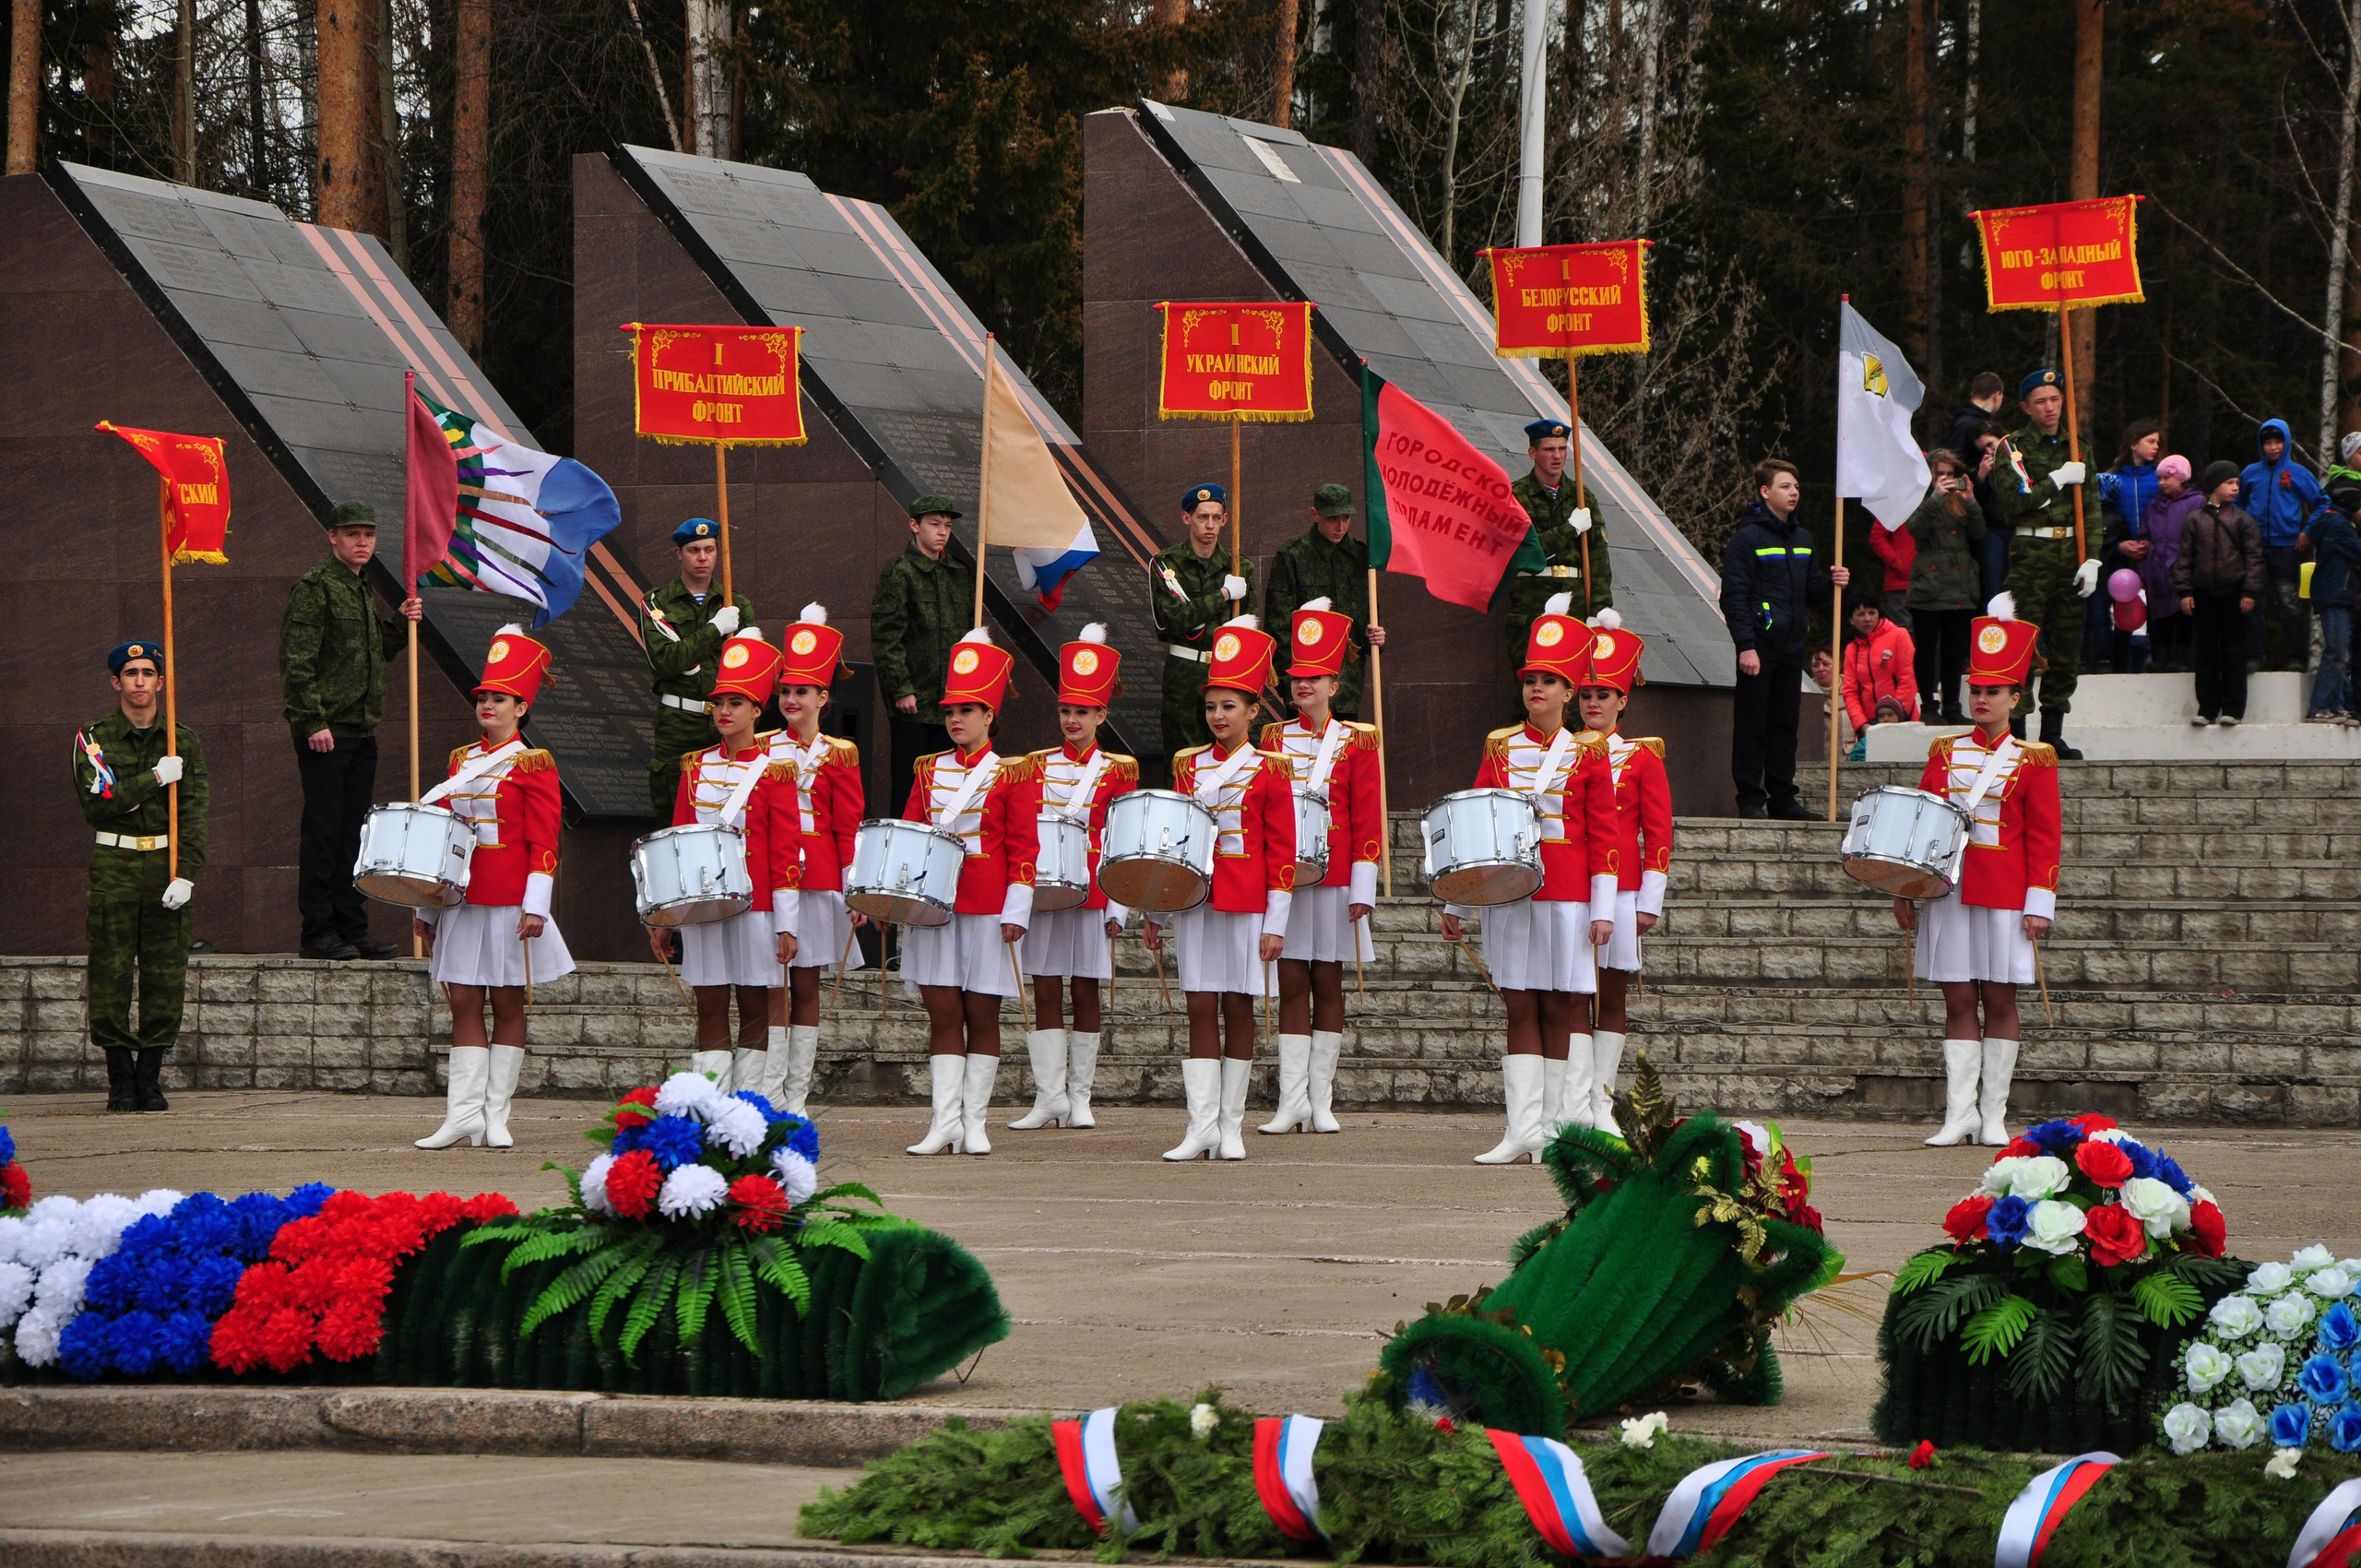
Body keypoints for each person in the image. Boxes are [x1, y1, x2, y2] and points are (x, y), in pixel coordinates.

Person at [1439, 591, 1618, 1162]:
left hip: (1567, 896)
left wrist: (1604, 908)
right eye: (1529, 680)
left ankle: (1564, 1129)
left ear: (1569, 692)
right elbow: (1472, 827)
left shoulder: (1588, 754)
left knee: (1565, 1004)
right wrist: (1459, 905)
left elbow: (1605, 838)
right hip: (1507, 896)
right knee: (1517, 1003)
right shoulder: (1499, 746)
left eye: (1548, 681)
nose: (1535, 689)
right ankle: (1522, 1130)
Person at [1895, 594, 2058, 1147]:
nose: (1981, 698)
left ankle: (1994, 1116)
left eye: (1993, 691)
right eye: (1975, 689)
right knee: (1958, 1000)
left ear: (2016, 696)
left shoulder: (2034, 759)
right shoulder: (1942, 750)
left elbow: (2044, 836)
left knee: (2002, 999)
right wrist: (1903, 889)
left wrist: (2040, 902)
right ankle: (1959, 1113)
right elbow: (1918, 825)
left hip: (2008, 893)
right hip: (1948, 891)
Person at [412, 628, 573, 1150]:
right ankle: (462, 1116)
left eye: (498, 698)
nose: (487, 704)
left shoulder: (534, 763)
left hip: (510, 902)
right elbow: (441, 837)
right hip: (460, 899)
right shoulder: (460, 761)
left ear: (521, 707)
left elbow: (544, 839)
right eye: (482, 697)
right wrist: (427, 907)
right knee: (461, 1002)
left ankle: (496, 1114)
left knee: (507, 1003)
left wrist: (536, 905)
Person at [1143, 617, 1295, 1162]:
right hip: (1194, 901)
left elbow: (1283, 852)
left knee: (1239, 1008)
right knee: (1199, 1007)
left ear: (1254, 711)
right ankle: (1200, 1126)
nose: (1218, 716)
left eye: (1230, 706)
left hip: (1247, 903)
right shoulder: (1187, 765)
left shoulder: (1272, 769)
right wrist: (1156, 913)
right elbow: (1171, 841)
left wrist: (1276, 922)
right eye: (1211, 706)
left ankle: (1231, 1127)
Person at [901, 629, 1039, 1157]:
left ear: (989, 717)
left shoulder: (1013, 774)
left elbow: (1025, 848)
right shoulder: (928, 770)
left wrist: (1017, 909)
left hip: (988, 908)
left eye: (968, 709)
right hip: (934, 907)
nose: (956, 719)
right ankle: (944, 1122)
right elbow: (911, 837)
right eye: (950, 710)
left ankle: (975, 1121)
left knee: (981, 1015)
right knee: (942, 1014)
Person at [279, 500, 424, 959]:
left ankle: (351, 926)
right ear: (333, 537)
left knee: (355, 836)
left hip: (361, 731)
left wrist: (403, 622)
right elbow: (296, 661)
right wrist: (313, 721)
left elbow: (374, 652)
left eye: (369, 535)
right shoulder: (316, 587)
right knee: (324, 832)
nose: (363, 543)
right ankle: (318, 932)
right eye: (353, 534)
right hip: (327, 732)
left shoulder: (360, 589)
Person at [1258, 598, 1382, 1137]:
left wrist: (1363, 886)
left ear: (1335, 683)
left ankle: (1322, 1100)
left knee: (1328, 983)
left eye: (1315, 677)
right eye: (1296, 677)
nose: (1302, 685)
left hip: (1333, 880)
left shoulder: (1358, 740)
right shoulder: (1271, 739)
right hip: (1285, 880)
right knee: (1290, 983)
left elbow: (1367, 818)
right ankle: (1291, 1102)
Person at [658, 630, 801, 1090]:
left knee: (757, 1004)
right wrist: (665, 916)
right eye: (719, 702)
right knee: (710, 1002)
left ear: (758, 711)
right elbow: (676, 842)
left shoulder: (777, 772)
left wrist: (787, 922)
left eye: (736, 703)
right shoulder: (694, 767)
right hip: (702, 904)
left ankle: (750, 1103)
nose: (724, 711)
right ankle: (712, 1104)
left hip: (757, 906)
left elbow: (785, 850)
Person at [1014, 624, 1136, 1132]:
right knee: (1044, 986)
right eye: (1066, 711)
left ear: (1101, 715)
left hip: (1092, 891)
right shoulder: (1034, 766)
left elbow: (1124, 837)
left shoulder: (1118, 769)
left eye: (1082, 712)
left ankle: (1081, 1096)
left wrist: (1119, 906)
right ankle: (1049, 1097)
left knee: (1086, 989)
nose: (1071, 720)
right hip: (1045, 890)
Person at [76, 640, 206, 1113]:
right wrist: (154, 778)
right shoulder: (95, 738)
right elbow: (97, 805)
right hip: (115, 864)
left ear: (160, 682)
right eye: (130, 673)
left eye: (148, 673)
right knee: (110, 972)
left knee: (164, 973)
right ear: (116, 682)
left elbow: (193, 814)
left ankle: (149, 1076)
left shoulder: (182, 740)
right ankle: (119, 1077)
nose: (139, 681)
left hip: (165, 867)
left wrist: (187, 874)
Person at [762, 604, 865, 1115]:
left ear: (823, 697)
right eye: (785, 691)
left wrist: (855, 890)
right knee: (769, 983)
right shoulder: (759, 749)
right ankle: (770, 1090)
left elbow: (848, 826)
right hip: (769, 876)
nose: (790, 699)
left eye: (801, 691)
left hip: (820, 876)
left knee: (805, 983)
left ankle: (796, 1098)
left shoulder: (840, 753)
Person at [1571, 611, 1669, 1135]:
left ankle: (1602, 1102)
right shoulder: (1557, 753)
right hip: (1566, 889)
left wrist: (1649, 899)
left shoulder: (1641, 758)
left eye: (1603, 694)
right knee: (1569, 994)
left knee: (1609, 994)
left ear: (1623, 700)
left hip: (1622, 890)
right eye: (1585, 693)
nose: (1592, 703)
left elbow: (1658, 832)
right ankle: (1572, 1100)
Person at [1718, 458, 1850, 819]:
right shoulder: (1746, 540)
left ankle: (1783, 799)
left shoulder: (1803, 539)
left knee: (1784, 726)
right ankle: (1750, 798)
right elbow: (1734, 597)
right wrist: (1746, 645)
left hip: (1792, 648)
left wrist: (1832, 585)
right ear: (1765, 491)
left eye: (1796, 487)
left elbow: (1811, 594)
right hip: (1759, 648)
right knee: (1752, 725)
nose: (1793, 492)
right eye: (1785, 486)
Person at [1990, 370, 2103, 758]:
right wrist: (2056, 479)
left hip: (2071, 553)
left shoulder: (2078, 447)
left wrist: (2093, 559)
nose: (2050, 407)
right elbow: (2016, 500)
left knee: (2066, 648)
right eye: (2040, 401)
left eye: (2055, 399)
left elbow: (2090, 508)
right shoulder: (2012, 448)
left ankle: (2052, 733)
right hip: (2031, 555)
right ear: (2025, 406)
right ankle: (2017, 734)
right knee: (2021, 647)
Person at [639, 517, 755, 816]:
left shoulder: (737, 604)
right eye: (693, 550)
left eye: (709, 549)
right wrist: (715, 629)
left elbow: (749, 670)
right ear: (679, 553)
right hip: (679, 723)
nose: (702, 558)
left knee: (730, 814)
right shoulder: (656, 602)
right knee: (674, 816)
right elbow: (666, 661)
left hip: (728, 723)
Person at [871, 495, 967, 816]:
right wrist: (901, 688)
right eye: (935, 524)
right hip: (913, 702)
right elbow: (887, 637)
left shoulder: (957, 573)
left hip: (951, 702)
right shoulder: (900, 573)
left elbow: (967, 636)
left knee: (946, 788)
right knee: (909, 788)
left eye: (948, 526)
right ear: (914, 525)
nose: (942, 532)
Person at [1263, 482, 1388, 719]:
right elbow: (1278, 627)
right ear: (1315, 514)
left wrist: (1376, 636)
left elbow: (1369, 615)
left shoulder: (1361, 557)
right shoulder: (1293, 555)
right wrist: (1287, 684)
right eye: (1332, 519)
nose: (1340, 526)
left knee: (1343, 752)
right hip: (1305, 685)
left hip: (1347, 684)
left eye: (1346, 518)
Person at [1152, 483, 1254, 764]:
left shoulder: (1240, 567)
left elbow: (1251, 629)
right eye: (1202, 517)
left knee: (1229, 760)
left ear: (1225, 520)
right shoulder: (1166, 564)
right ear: (1187, 518)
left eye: (1216, 518)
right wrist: (1222, 595)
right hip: (1184, 678)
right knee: (1182, 761)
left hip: (1227, 674)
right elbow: (1170, 621)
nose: (1210, 525)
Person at [1503, 420, 1609, 659]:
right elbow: (1525, 552)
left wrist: (1599, 610)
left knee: (1570, 688)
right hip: (1532, 600)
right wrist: (1569, 529)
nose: (1557, 456)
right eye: (1549, 449)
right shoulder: (1516, 496)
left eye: (1562, 449)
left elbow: (1599, 559)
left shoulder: (1582, 497)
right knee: (1532, 683)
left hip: (1575, 602)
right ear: (1533, 452)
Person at [2172, 461, 2264, 727]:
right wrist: (2185, 590)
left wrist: (2249, 590)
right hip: (2202, 593)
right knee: (2206, 651)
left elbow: (2254, 559)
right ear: (2215, 486)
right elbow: (2185, 557)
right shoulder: (2194, 519)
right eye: (2229, 483)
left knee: (2234, 651)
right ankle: (2207, 707)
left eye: (2237, 483)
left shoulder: (2243, 520)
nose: (2235, 488)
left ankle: (2234, 708)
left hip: (2233, 593)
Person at [1904, 447, 1986, 722]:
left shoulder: (1961, 501)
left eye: (1951, 474)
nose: (1947, 480)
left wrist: (1971, 502)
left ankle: (1952, 706)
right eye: (1941, 474)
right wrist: (1936, 497)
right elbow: (1915, 529)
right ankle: (1928, 704)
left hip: (1961, 583)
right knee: (1927, 647)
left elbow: (1979, 532)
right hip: (1930, 582)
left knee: (1955, 649)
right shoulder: (1920, 497)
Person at [2237, 419, 2323, 672]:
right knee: (2252, 601)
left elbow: (2322, 502)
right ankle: (2254, 655)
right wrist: (2243, 532)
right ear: (2261, 445)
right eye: (2268, 443)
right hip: (2254, 549)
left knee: (2290, 603)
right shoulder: (2250, 473)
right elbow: (2239, 504)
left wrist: (2307, 531)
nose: (2273, 448)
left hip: (2287, 548)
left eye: (2278, 442)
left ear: (2286, 443)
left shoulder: (2297, 472)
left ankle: (2296, 658)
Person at [2093, 421, 2163, 671]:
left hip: (2152, 554)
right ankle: (2113, 664)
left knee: (2157, 609)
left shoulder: (2160, 478)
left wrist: (2153, 542)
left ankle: (2160, 660)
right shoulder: (2111, 479)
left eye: (2157, 442)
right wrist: (2120, 545)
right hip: (2118, 556)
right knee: (2118, 611)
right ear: (2133, 444)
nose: (2156, 447)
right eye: (2150, 441)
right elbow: (2102, 520)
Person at [1949, 375, 2012, 603]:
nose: (1988, 452)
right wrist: (1979, 477)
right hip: (1983, 519)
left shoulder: (1977, 425)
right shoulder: (1967, 424)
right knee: (1993, 585)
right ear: (1997, 396)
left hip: (2002, 517)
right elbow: (1952, 470)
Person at [2134, 456, 2201, 672]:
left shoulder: (2196, 502)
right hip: (2157, 566)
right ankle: (2159, 657)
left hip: (2182, 564)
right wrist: (2144, 569)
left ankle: (2181, 659)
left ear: (2181, 478)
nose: (2162, 483)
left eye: (2167, 478)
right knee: (2158, 614)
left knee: (2183, 614)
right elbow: (2145, 534)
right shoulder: (2155, 503)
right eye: (2160, 478)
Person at [2304, 482, 2361, 723]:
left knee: (2342, 653)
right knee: (2336, 650)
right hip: (2335, 594)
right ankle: (2318, 707)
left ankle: (2336, 705)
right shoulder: (2338, 526)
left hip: (2340, 593)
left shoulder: (2336, 523)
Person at [1842, 592, 1918, 739]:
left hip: (1903, 719)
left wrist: (1896, 714)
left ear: (1879, 614)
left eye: (1872, 612)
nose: (1867, 619)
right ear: (1852, 620)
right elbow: (1850, 691)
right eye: (1861, 614)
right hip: (1870, 724)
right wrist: (1862, 725)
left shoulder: (1899, 635)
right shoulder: (1852, 649)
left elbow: (1909, 678)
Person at [1865, 509, 1916, 630]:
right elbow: (1877, 537)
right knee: (1904, 630)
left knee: (1927, 632)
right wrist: (1896, 562)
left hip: (1931, 580)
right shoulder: (1896, 506)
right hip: (1900, 582)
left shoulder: (1936, 502)